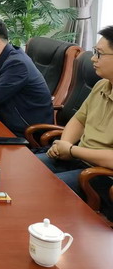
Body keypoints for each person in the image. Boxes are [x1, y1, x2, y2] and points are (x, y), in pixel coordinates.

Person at [37, 25, 113, 216]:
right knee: (27, 169)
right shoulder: (102, 85)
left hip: (102, 175)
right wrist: (63, 145)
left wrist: (71, 150)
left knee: (43, 190)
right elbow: (79, 120)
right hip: (78, 157)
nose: (93, 58)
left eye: (100, 54)